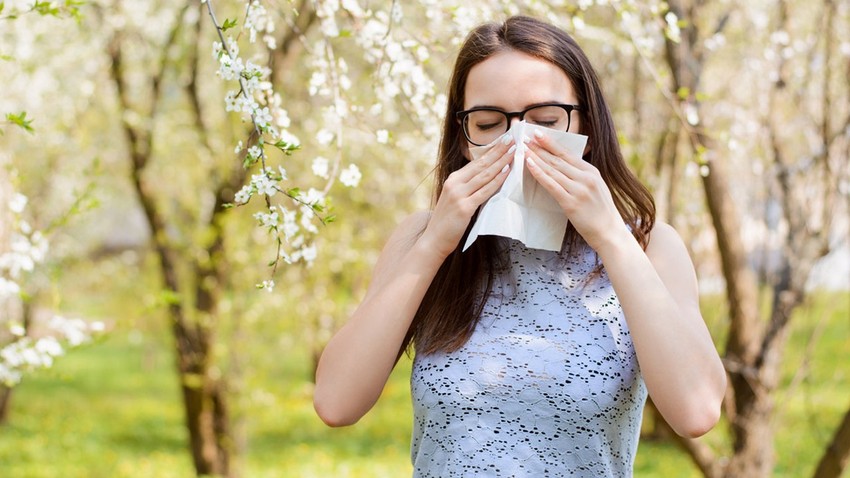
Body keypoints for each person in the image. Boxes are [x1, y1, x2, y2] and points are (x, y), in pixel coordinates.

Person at [313, 15, 726, 477]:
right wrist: (434, 245)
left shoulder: (649, 247)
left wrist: (610, 235)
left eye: (545, 120)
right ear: (464, 137)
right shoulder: (421, 240)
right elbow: (335, 402)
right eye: (489, 124)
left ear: (585, 122)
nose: (519, 142)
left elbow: (698, 412)